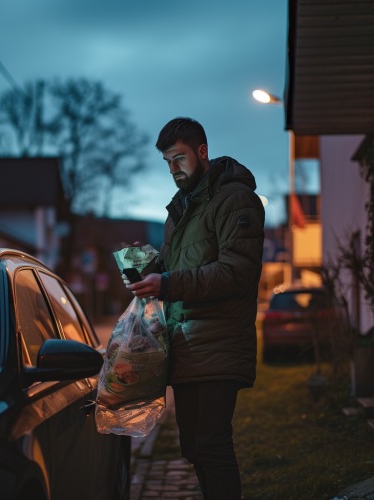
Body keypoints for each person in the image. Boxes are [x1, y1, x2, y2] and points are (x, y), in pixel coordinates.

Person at [122, 117, 265, 500]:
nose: (173, 169)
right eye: (167, 162)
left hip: (219, 343)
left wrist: (166, 284)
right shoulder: (179, 212)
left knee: (212, 445)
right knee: (193, 449)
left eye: (179, 158)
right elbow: (172, 267)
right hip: (185, 346)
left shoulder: (235, 199)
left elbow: (238, 272)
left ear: (202, 151)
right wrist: (144, 271)